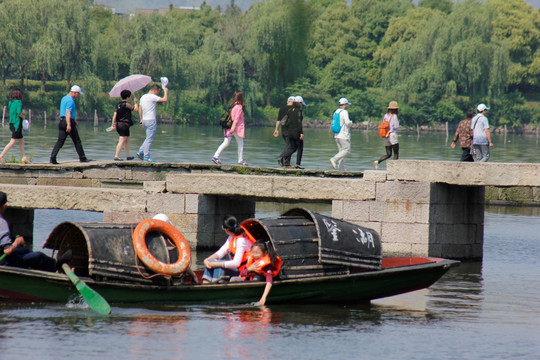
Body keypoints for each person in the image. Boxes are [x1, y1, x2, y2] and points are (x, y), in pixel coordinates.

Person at [0, 191, 71, 271]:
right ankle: (57, 267)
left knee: (25, 251)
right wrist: (17, 241)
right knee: (39, 256)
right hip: (4, 262)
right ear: (4, 206)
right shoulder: (2, 223)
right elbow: (7, 251)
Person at [202, 215, 253, 283]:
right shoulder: (231, 237)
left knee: (218, 265)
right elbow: (221, 252)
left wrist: (217, 264)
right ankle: (205, 284)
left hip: (243, 272)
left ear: (226, 230)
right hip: (236, 269)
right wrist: (206, 260)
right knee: (211, 261)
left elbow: (236, 263)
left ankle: (216, 287)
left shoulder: (241, 240)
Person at [152, 213, 199, 284]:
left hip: (158, 278)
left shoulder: (151, 241)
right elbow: (183, 263)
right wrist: (193, 275)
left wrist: (193, 274)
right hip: (172, 280)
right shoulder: (173, 242)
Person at [233, 240, 282, 306]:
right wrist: (249, 269)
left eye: (257, 253)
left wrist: (263, 298)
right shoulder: (252, 261)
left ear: (265, 253)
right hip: (248, 282)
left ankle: (252, 296)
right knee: (233, 279)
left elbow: (269, 281)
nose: (254, 255)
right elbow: (241, 273)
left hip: (259, 283)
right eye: (253, 252)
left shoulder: (267, 265)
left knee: (256, 278)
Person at [50, 85, 90, 164]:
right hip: (67, 122)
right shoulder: (71, 101)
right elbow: (68, 112)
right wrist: (69, 124)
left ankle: (52, 158)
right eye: (78, 93)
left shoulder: (64, 98)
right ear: (74, 93)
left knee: (60, 141)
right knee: (77, 141)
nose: (78, 95)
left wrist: (73, 120)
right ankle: (82, 158)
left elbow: (64, 112)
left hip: (61, 121)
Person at [212, 91, 248, 166]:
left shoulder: (232, 106)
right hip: (236, 128)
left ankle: (215, 156)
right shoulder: (239, 107)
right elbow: (236, 119)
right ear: (241, 98)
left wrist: (231, 129)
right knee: (240, 143)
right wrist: (233, 128)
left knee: (226, 142)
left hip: (229, 127)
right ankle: (240, 160)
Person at [137, 84, 168, 162]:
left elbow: (140, 108)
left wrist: (141, 119)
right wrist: (166, 91)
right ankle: (146, 156)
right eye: (158, 92)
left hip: (144, 120)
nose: (157, 94)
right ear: (154, 90)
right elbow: (164, 100)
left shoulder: (142, 97)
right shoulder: (152, 96)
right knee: (150, 139)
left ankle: (141, 151)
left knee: (148, 138)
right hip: (151, 120)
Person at [0, 89, 29, 164]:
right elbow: (19, 113)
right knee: (13, 141)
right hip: (17, 124)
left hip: (11, 123)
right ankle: (1, 156)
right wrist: (24, 117)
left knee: (21, 141)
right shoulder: (19, 102)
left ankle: (24, 157)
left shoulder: (11, 102)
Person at [274, 95, 304, 169]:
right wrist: (301, 133)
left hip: (286, 131)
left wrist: (276, 129)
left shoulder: (287, 110)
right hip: (295, 131)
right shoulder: (297, 111)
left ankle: (284, 160)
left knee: (290, 146)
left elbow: (279, 120)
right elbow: (299, 122)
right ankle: (287, 161)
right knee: (294, 147)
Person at [112, 90, 138, 161]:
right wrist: (135, 102)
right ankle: (116, 156)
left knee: (127, 140)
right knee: (122, 140)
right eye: (129, 97)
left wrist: (113, 123)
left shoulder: (118, 104)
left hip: (119, 124)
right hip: (124, 125)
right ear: (127, 97)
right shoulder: (126, 104)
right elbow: (135, 109)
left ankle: (128, 155)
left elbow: (115, 114)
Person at [374, 101, 400, 170]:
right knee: (396, 153)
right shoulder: (394, 116)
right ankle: (394, 168)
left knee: (388, 154)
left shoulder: (385, 116)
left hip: (386, 136)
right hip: (392, 135)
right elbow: (396, 126)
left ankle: (377, 162)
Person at [329, 98, 353, 170]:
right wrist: (351, 123)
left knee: (341, 152)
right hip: (344, 135)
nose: (347, 106)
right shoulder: (344, 112)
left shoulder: (336, 111)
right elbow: (347, 123)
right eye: (347, 104)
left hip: (337, 135)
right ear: (345, 104)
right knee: (347, 150)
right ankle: (334, 159)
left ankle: (341, 169)